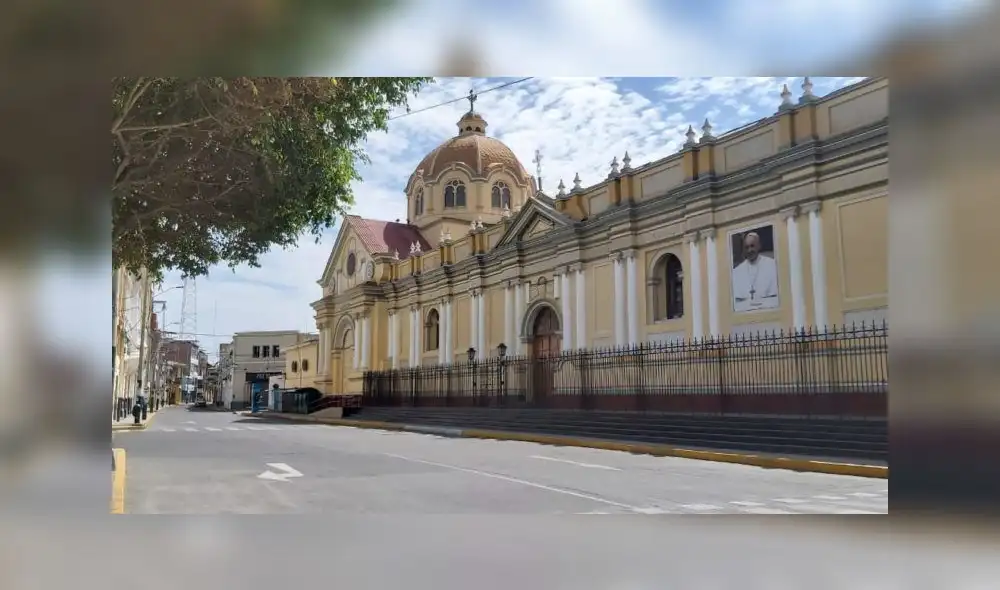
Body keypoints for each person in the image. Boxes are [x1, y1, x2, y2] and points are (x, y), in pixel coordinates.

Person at [731, 231, 779, 312]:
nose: (749, 250)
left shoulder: (772, 265)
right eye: (746, 247)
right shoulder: (737, 271)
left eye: (752, 246)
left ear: (759, 246)